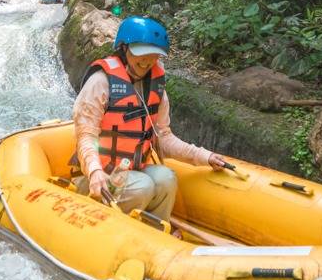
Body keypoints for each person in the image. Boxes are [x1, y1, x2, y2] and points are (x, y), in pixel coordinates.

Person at [71, 16, 227, 220]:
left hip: (129, 170)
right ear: (124, 48)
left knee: (166, 178)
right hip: (96, 176)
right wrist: (94, 172)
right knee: (143, 186)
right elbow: (86, 135)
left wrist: (203, 156)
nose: (147, 60)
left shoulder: (156, 87)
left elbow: (163, 137)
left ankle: (154, 230)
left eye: (154, 55)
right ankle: (119, 230)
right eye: (141, 53)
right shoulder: (100, 82)